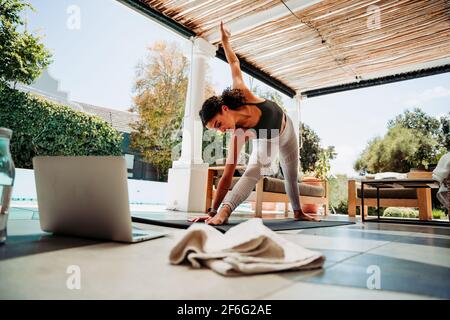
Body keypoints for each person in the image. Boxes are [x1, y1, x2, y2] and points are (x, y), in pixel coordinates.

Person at [198, 22, 321, 225]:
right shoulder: (237, 134)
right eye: (217, 130)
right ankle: (225, 213)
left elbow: (234, 64)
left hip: (287, 129)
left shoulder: (242, 93)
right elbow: (227, 176)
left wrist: (226, 42)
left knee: (291, 175)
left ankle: (298, 212)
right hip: (268, 137)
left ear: (225, 109)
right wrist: (213, 213)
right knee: (253, 172)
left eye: (218, 124)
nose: (221, 131)